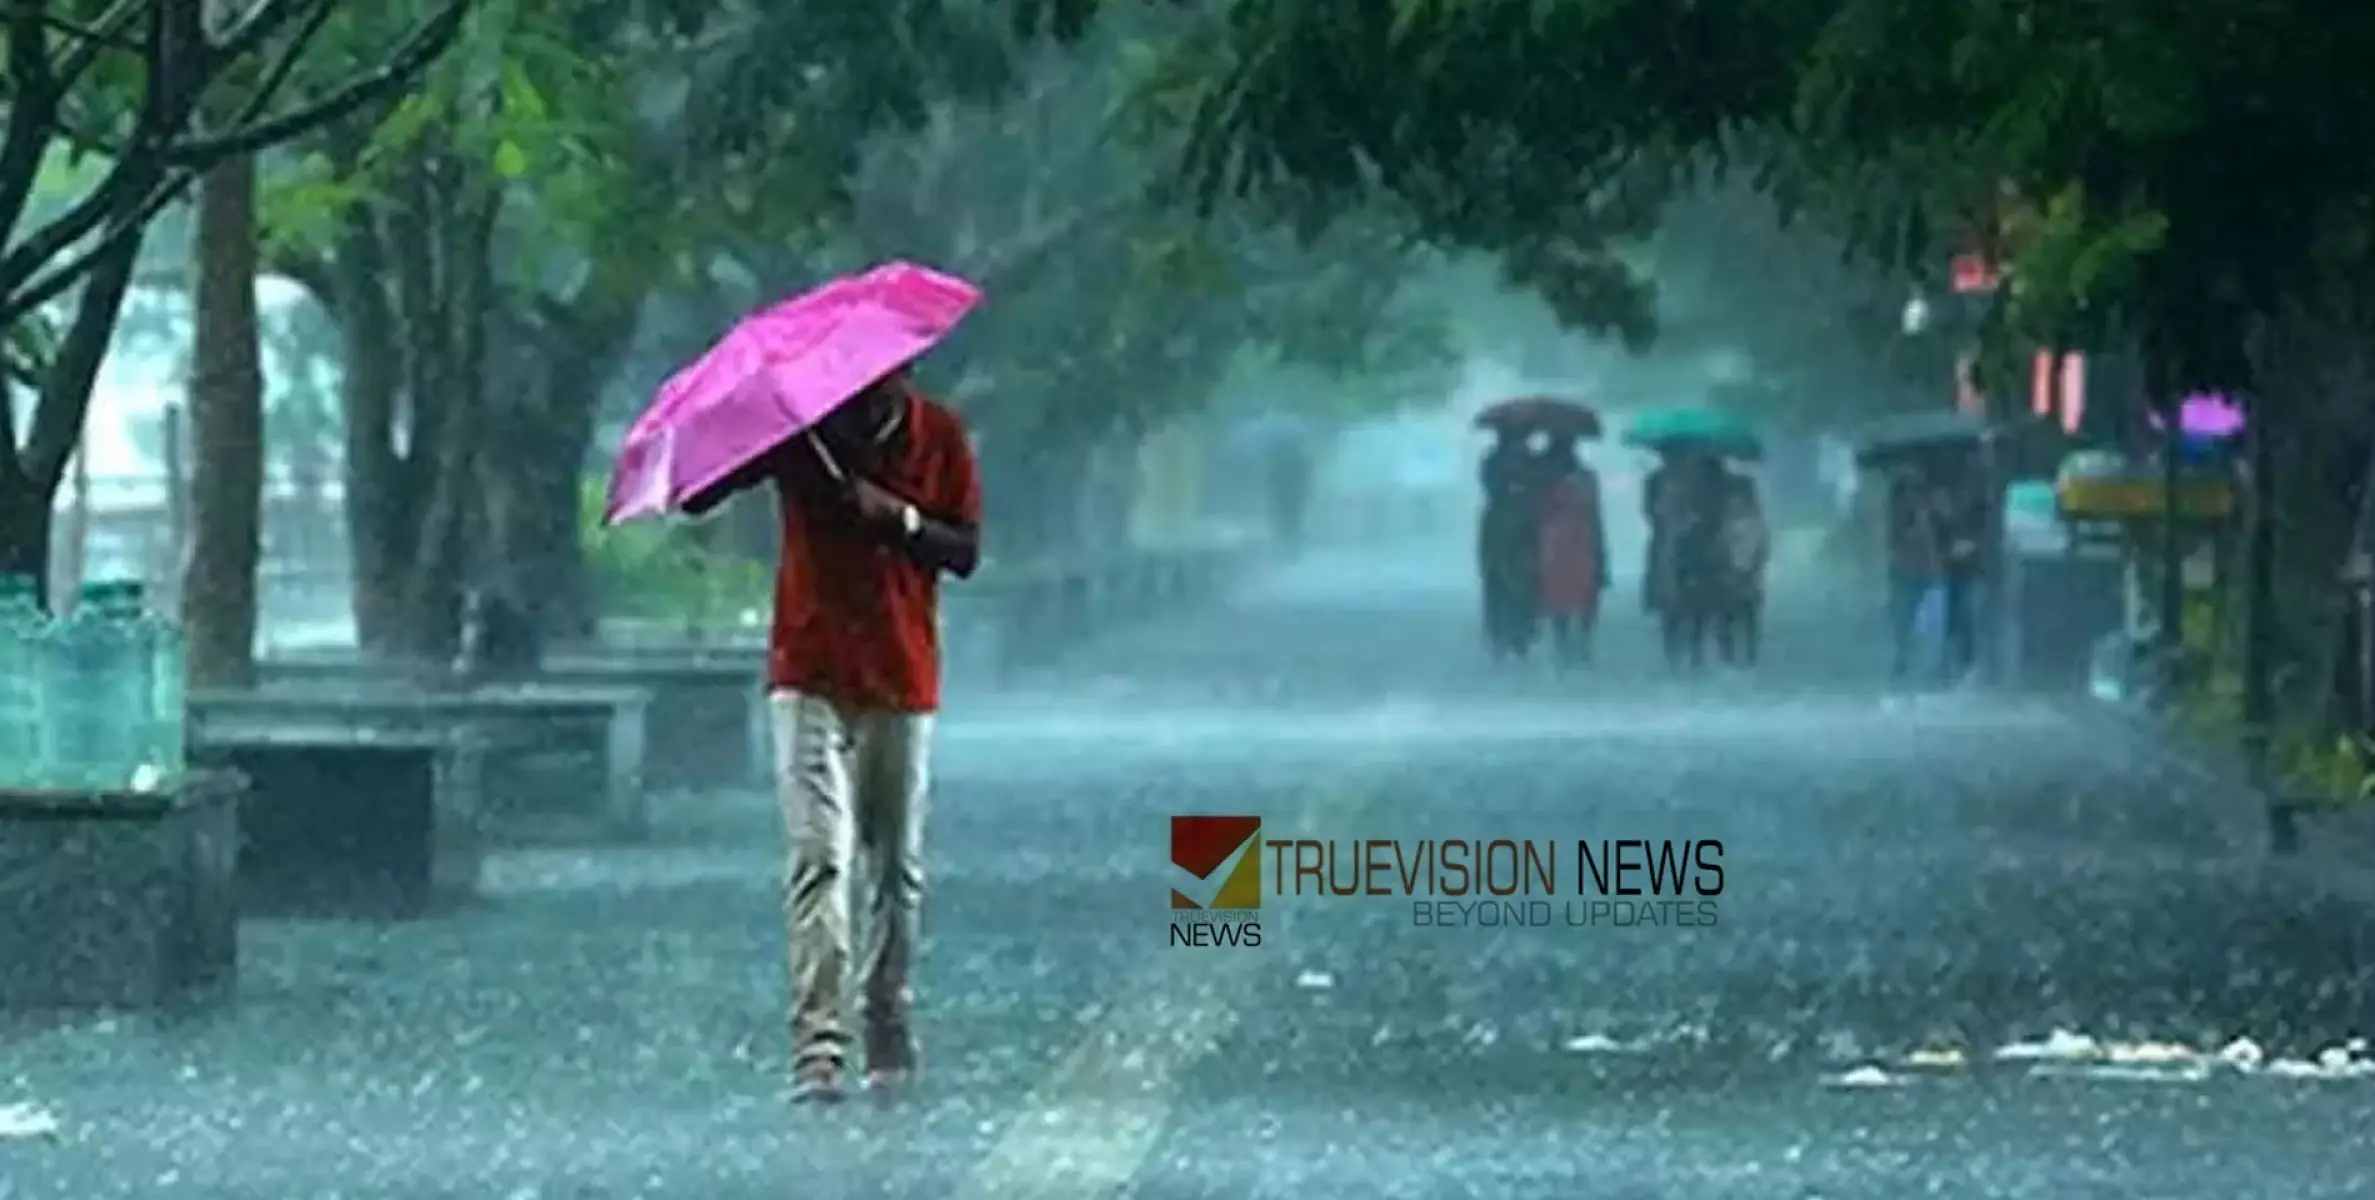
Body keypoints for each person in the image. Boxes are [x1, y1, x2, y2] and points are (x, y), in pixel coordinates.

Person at [682, 365, 981, 1103]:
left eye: (881, 380)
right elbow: (699, 496)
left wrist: (900, 518)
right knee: (819, 855)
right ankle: (818, 1045)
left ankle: (886, 1017)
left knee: (895, 866)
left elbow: (966, 551)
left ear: (905, 373)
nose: (864, 391)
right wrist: (747, 438)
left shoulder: (938, 435)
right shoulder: (802, 433)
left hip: (901, 676)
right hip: (808, 669)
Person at [1535, 432, 1607, 668]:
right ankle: (1581, 641)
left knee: (1559, 591)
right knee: (1584, 588)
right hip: (1580, 539)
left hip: (1555, 541)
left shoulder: (1544, 480)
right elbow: (1595, 513)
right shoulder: (1585, 478)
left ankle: (1564, 642)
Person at [1478, 428, 1544, 659]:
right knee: (1504, 581)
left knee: (1520, 582)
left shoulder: (1524, 462)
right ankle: (1505, 636)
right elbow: (1494, 489)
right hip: (1508, 528)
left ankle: (1517, 635)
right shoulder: (1497, 463)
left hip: (1515, 527)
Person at [1884, 470, 1949, 683]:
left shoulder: (1935, 510)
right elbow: (1894, 541)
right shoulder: (1899, 513)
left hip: (1930, 575)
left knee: (1932, 625)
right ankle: (1902, 664)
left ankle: (1932, 668)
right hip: (1908, 574)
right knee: (1904, 623)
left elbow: (1945, 535)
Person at [1715, 469, 1770, 667]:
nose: (1735, 503)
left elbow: (1763, 550)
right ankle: (1728, 655)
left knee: (1748, 618)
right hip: (1729, 577)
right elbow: (1720, 549)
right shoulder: (1725, 524)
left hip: (1749, 577)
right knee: (1726, 618)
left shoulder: (1756, 524)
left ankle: (1749, 654)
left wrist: (1752, 569)